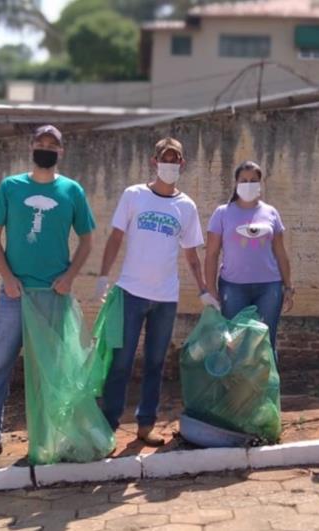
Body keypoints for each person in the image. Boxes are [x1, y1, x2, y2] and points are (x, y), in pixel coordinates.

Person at [0, 124, 96, 466]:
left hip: (54, 295)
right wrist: (8, 278)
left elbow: (87, 241)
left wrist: (70, 277)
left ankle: (49, 441)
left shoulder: (72, 191)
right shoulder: (11, 187)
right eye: (40, 143)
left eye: (52, 144)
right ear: (31, 147)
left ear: (61, 151)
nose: (45, 148)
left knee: (51, 373)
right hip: (15, 294)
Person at [94, 137, 218, 446]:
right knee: (120, 362)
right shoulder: (134, 195)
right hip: (130, 293)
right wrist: (102, 276)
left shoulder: (186, 206)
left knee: (155, 363)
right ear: (154, 161)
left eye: (176, 159)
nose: (171, 164)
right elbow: (115, 237)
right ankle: (107, 426)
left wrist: (204, 290)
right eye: (166, 157)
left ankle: (145, 425)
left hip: (165, 297)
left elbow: (192, 254)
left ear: (182, 164)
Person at [204, 160, 293, 354]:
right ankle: (234, 384)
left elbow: (281, 253)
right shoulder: (222, 213)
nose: (248, 184)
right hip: (233, 287)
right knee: (233, 342)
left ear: (260, 183)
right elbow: (211, 254)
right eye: (243, 180)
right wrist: (210, 289)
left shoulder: (271, 213)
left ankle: (266, 384)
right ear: (236, 183)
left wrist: (288, 287)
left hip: (269, 288)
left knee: (265, 341)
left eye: (253, 180)